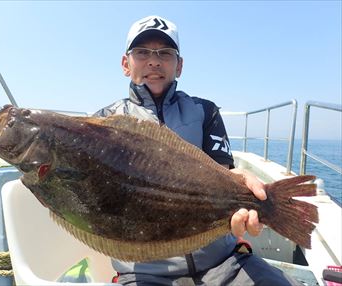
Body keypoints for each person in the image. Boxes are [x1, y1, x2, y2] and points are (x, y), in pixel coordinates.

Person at [94, 15, 302, 286]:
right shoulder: (104, 123)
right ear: (126, 63)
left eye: (165, 53)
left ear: (179, 66)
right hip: (143, 272)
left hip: (222, 261)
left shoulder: (204, 111)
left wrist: (246, 188)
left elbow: (225, 173)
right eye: (142, 52)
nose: (153, 61)